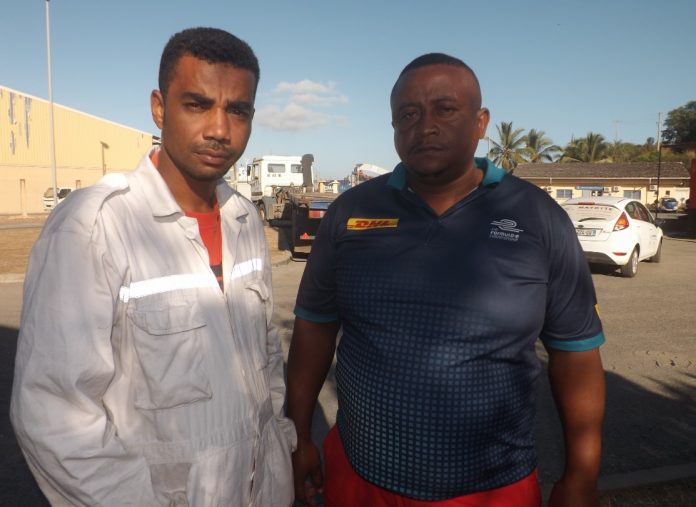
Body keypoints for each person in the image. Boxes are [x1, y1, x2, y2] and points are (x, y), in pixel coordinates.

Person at [287, 53, 605, 507]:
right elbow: (314, 327)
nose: (425, 127)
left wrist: (582, 475)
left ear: (481, 122)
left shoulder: (538, 217)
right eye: (408, 115)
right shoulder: (350, 212)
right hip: (360, 478)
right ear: (394, 127)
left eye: (445, 109)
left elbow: (576, 352)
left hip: (494, 489)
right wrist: (299, 434)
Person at [11, 27, 295, 507]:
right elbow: (55, 415)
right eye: (197, 104)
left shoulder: (244, 219)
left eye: (238, 110)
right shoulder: (96, 224)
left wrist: (282, 445)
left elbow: (265, 355)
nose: (220, 129)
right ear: (159, 108)